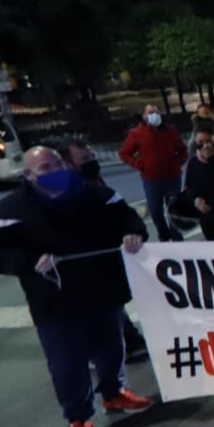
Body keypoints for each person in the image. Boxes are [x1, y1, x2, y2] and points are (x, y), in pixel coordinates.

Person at [0, 147, 152, 427]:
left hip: (102, 293)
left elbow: (128, 220)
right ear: (28, 175)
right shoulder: (10, 210)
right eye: (45, 167)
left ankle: (114, 393)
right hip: (54, 304)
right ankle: (78, 420)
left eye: (57, 163)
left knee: (112, 350)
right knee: (67, 366)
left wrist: (133, 234)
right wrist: (28, 261)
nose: (54, 170)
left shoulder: (95, 195)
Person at [59, 140, 147, 360]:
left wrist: (132, 231)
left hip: (104, 262)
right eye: (85, 160)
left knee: (112, 304)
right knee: (97, 310)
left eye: (92, 157)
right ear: (68, 165)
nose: (92, 163)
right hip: (80, 267)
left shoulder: (96, 185)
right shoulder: (62, 194)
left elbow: (125, 215)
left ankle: (129, 340)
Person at [118, 105, 188, 242]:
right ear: (144, 115)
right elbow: (124, 153)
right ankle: (164, 234)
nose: (154, 114)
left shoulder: (170, 131)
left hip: (172, 178)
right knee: (155, 211)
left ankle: (176, 235)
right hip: (151, 180)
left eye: (157, 112)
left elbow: (183, 150)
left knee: (174, 209)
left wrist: (177, 162)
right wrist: (140, 165)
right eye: (150, 112)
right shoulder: (136, 133)